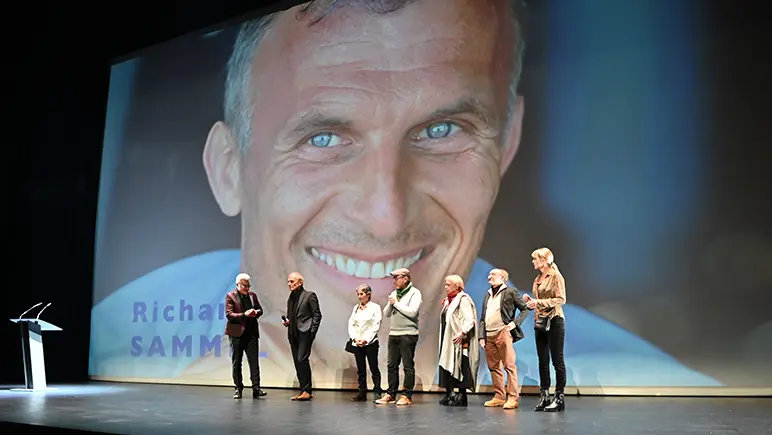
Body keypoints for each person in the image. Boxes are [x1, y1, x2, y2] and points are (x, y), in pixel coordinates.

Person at [90, 0, 723, 391]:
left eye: (442, 131)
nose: (386, 215)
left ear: (507, 144)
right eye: (324, 137)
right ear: (228, 170)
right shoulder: (116, 338)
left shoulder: (644, 394)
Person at [479, 268, 529, 410]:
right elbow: (483, 317)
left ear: (502, 278)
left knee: (509, 366)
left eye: (493, 274)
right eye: (489, 274)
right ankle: (499, 396)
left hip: (503, 333)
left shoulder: (510, 292)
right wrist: (481, 336)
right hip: (489, 335)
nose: (489, 276)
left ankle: (512, 398)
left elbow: (524, 309)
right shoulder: (487, 295)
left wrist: (514, 324)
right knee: (493, 367)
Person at [524, 248, 566, 412]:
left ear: (543, 260)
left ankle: (559, 397)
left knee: (557, 360)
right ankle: (545, 395)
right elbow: (539, 300)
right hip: (540, 321)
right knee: (542, 361)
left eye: (535, 259)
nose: (533, 262)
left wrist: (539, 303)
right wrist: (531, 301)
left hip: (554, 320)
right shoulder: (537, 279)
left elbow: (561, 299)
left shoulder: (555, 276)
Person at [376, 268, 422, 406]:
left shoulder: (415, 293)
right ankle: (391, 394)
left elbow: (413, 312)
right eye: (394, 278)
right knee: (391, 365)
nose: (394, 280)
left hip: (408, 334)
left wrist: (396, 303)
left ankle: (406, 395)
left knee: (407, 365)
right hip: (394, 334)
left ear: (405, 278)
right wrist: (391, 303)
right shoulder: (395, 293)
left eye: (396, 277)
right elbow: (386, 314)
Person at [437, 275, 480, 406]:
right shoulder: (449, 301)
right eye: (445, 284)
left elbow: (470, 319)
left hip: (457, 338)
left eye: (448, 285)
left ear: (457, 286)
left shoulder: (463, 299)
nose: (446, 287)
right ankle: (449, 393)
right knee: (445, 363)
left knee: (460, 365)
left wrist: (462, 332)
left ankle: (462, 395)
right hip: (447, 337)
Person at [225, 273, 267, 399]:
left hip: (252, 333)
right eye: (244, 286)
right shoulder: (230, 296)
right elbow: (229, 315)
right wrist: (245, 315)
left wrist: (256, 312)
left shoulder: (252, 296)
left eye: (248, 286)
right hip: (236, 334)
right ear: (237, 285)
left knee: (254, 362)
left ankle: (256, 388)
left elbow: (260, 309)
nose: (247, 288)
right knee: (237, 362)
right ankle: (238, 388)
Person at [282, 272, 322, 400]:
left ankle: (307, 390)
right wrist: (288, 322)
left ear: (300, 282)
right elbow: (292, 315)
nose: (289, 284)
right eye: (288, 281)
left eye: (292, 281)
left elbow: (317, 315)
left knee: (301, 359)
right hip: (293, 333)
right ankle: (303, 390)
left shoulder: (309, 295)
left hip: (305, 333)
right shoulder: (291, 297)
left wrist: (312, 332)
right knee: (297, 362)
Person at [347, 284, 383, 401]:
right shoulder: (356, 308)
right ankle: (362, 392)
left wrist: (366, 339)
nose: (359, 297)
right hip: (358, 342)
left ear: (368, 294)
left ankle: (377, 390)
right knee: (361, 369)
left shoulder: (375, 308)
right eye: (358, 294)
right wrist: (354, 338)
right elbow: (351, 324)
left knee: (373, 367)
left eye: (361, 294)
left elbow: (375, 325)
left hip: (370, 343)